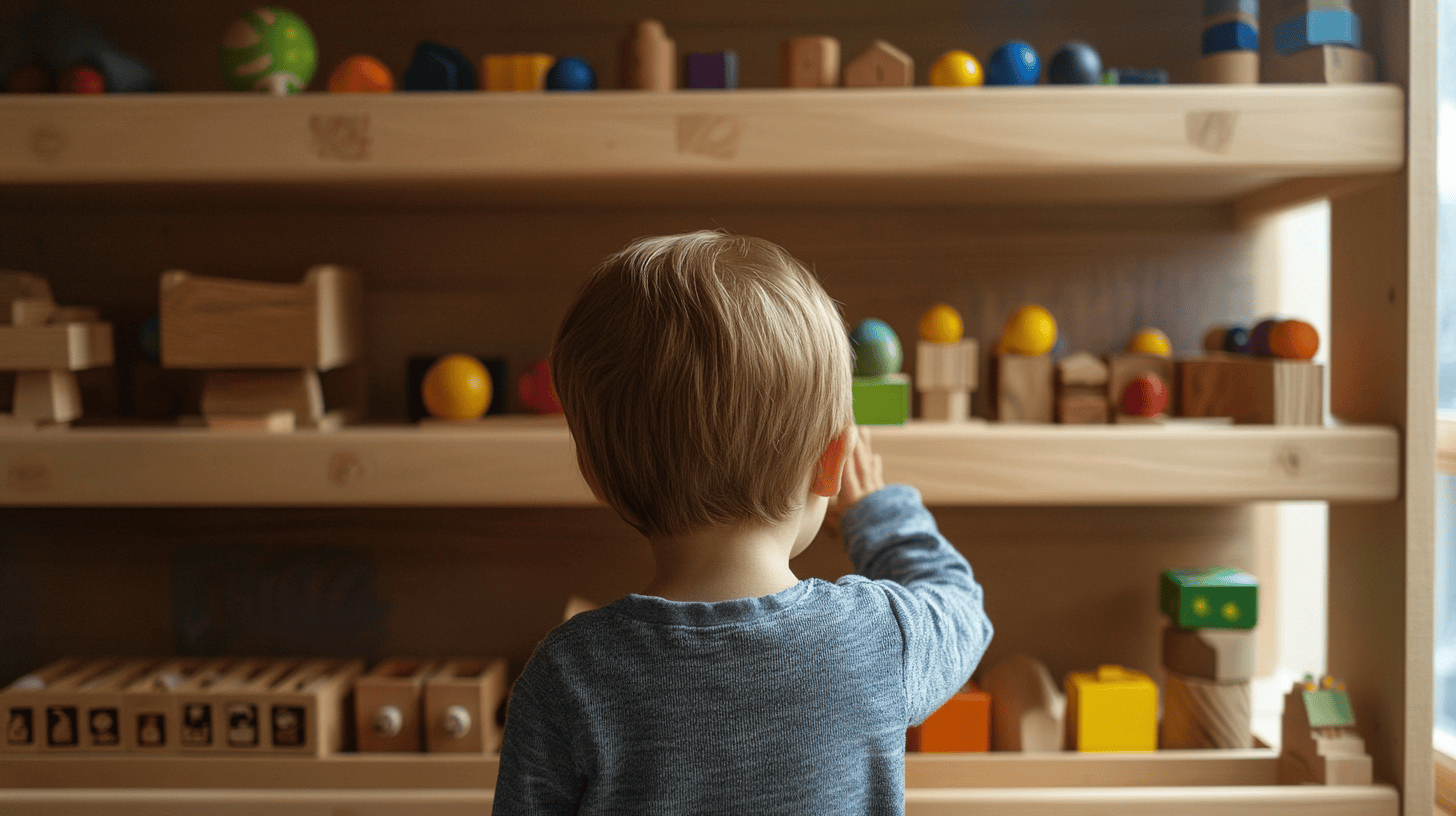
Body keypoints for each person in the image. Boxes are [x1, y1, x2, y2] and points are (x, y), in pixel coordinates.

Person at [493, 231, 992, 815]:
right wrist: (875, 513)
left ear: (592, 473)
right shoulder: (878, 641)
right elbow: (960, 604)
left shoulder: (569, 675)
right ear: (832, 463)